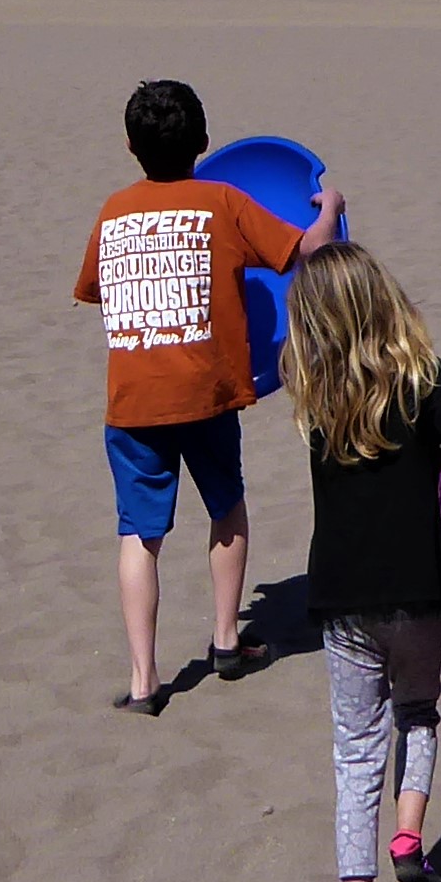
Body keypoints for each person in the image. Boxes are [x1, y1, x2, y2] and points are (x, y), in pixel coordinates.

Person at [76, 78, 340, 713]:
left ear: (130, 146)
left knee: (139, 533)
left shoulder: (113, 210)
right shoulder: (221, 200)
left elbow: (96, 290)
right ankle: (227, 642)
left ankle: (144, 682)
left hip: (135, 398)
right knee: (226, 506)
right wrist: (328, 204)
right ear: (203, 142)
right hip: (208, 392)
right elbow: (311, 249)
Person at [282, 241, 441, 882]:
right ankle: (409, 835)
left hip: (342, 602)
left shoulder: (310, 387)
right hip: (417, 598)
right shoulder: (419, 377)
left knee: (354, 752)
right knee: (418, 715)